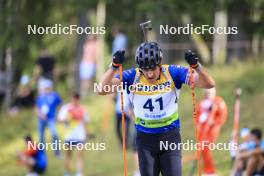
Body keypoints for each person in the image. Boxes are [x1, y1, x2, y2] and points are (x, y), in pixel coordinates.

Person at [98, 41, 215, 176]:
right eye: (145, 69)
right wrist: (113, 66)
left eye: (153, 68)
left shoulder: (173, 72)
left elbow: (209, 84)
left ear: (160, 63)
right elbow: (101, 89)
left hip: (170, 138)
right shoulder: (132, 76)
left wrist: (197, 67)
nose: (150, 74)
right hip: (145, 141)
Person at [196, 88, 228, 175]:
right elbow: (197, 115)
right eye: (206, 93)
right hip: (202, 130)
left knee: (207, 149)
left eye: (209, 93)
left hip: (212, 130)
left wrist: (214, 122)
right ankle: (206, 170)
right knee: (202, 150)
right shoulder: (201, 103)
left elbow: (222, 115)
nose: (208, 94)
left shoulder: (218, 102)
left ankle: (211, 171)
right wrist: (198, 123)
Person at [58, 93, 89, 176]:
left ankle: (79, 173)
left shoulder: (82, 109)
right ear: (72, 99)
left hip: (80, 136)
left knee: (80, 156)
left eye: (77, 99)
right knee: (68, 156)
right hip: (69, 136)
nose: (75, 100)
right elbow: (59, 120)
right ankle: (67, 173)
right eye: (74, 98)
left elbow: (86, 122)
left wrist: (87, 134)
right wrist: (67, 119)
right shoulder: (66, 108)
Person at [35, 79, 62, 157]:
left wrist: (58, 114)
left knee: (54, 134)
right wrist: (40, 115)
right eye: (45, 87)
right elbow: (37, 108)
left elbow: (60, 104)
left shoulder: (54, 95)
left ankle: (57, 152)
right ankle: (42, 154)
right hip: (41, 120)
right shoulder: (41, 97)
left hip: (50, 119)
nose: (47, 89)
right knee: (41, 137)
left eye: (48, 87)